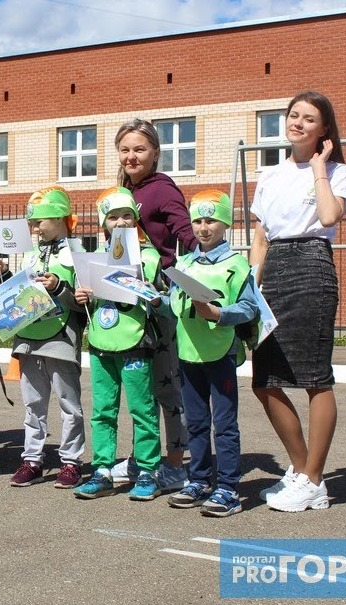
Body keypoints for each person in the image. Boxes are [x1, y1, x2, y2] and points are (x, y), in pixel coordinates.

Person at [249, 91, 346, 512]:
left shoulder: (335, 170)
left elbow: (329, 217)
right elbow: (260, 235)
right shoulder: (269, 174)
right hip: (272, 269)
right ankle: (300, 469)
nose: (298, 122)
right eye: (294, 115)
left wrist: (318, 169)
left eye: (309, 118)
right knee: (264, 380)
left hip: (312, 264)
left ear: (323, 129)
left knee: (314, 376)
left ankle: (314, 479)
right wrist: (251, 288)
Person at [154, 190, 258, 517]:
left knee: (224, 424)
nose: (202, 227)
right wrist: (157, 301)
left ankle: (228, 488)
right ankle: (198, 480)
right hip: (188, 354)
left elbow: (250, 308)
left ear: (225, 223)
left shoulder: (237, 265)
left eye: (210, 219)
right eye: (197, 220)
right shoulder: (183, 263)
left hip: (220, 354)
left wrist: (220, 314)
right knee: (196, 422)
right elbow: (173, 305)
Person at [111, 118, 197, 492]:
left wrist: (190, 276)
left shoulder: (162, 190)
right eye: (125, 149)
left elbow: (186, 237)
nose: (132, 156)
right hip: (125, 302)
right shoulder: (124, 191)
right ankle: (144, 458)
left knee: (166, 387)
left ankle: (176, 465)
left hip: (156, 302)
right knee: (139, 389)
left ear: (156, 153)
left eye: (140, 149)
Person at [0, 186, 87, 489]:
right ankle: (32, 459)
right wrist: (4, 277)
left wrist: (58, 286)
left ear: (58, 218)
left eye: (38, 221)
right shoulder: (31, 255)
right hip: (29, 338)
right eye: (32, 222)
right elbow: (22, 295)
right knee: (34, 403)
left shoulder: (78, 253)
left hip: (61, 338)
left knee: (69, 404)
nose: (33, 227)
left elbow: (83, 303)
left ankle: (71, 462)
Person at [72, 187, 162, 501]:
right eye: (113, 217)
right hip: (101, 341)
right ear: (104, 224)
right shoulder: (93, 259)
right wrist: (84, 295)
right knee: (102, 410)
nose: (121, 222)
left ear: (136, 220)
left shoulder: (148, 255)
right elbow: (86, 296)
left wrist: (144, 285)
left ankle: (148, 470)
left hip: (135, 341)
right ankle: (102, 471)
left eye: (127, 216)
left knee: (142, 409)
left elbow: (150, 291)